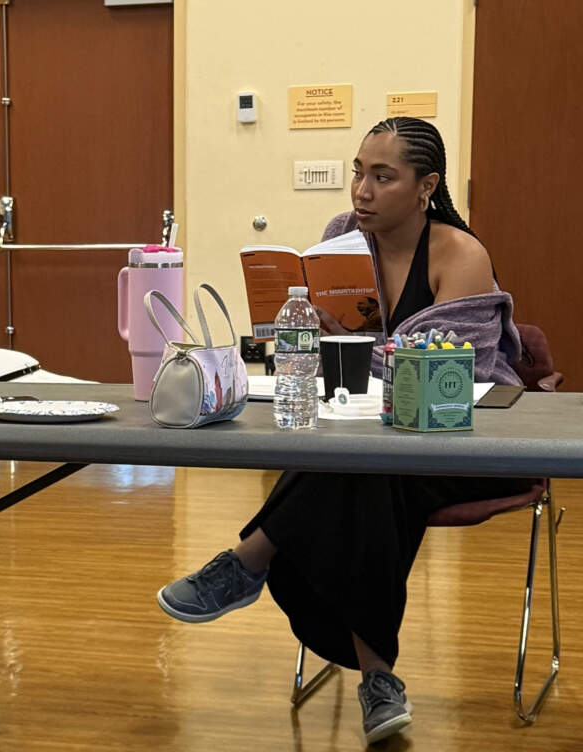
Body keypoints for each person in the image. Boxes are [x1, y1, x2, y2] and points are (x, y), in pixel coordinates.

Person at [156, 117, 532, 745]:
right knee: (366, 471)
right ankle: (379, 679)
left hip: (462, 439)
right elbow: (333, 352)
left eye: (383, 176)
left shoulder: (460, 253)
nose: (362, 189)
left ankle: (250, 559)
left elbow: (444, 368)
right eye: (359, 171)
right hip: (374, 440)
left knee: (362, 467)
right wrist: (305, 329)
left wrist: (347, 344)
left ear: (425, 186)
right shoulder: (339, 239)